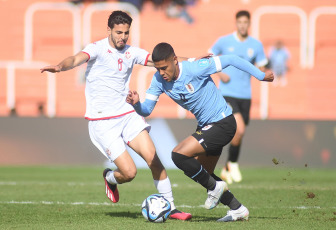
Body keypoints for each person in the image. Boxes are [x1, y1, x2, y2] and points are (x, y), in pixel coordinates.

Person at [40, 11, 191, 220]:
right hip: (102, 122)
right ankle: (111, 178)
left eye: (126, 33)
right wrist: (59, 67)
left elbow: (164, 61)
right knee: (129, 173)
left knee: (153, 158)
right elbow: (75, 59)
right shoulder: (97, 49)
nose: (122, 37)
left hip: (127, 114)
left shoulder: (131, 52)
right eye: (118, 32)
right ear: (109, 30)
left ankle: (172, 208)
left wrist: (194, 61)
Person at [126, 42, 274, 221]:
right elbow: (147, 110)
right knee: (205, 174)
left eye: (164, 68)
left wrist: (260, 75)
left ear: (174, 60)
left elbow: (232, 59)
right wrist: (137, 105)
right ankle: (237, 209)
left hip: (223, 123)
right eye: (158, 69)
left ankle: (215, 189)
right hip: (206, 126)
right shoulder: (158, 80)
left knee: (178, 155)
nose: (162, 73)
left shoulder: (195, 68)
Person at [209, 10, 268, 184]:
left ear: (249, 24)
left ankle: (227, 166)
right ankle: (233, 163)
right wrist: (219, 73)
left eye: (245, 22)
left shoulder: (256, 45)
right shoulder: (224, 41)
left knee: (239, 134)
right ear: (236, 23)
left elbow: (262, 66)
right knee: (239, 128)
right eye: (240, 22)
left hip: (245, 95)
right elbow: (209, 56)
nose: (242, 25)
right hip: (227, 92)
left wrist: (264, 73)